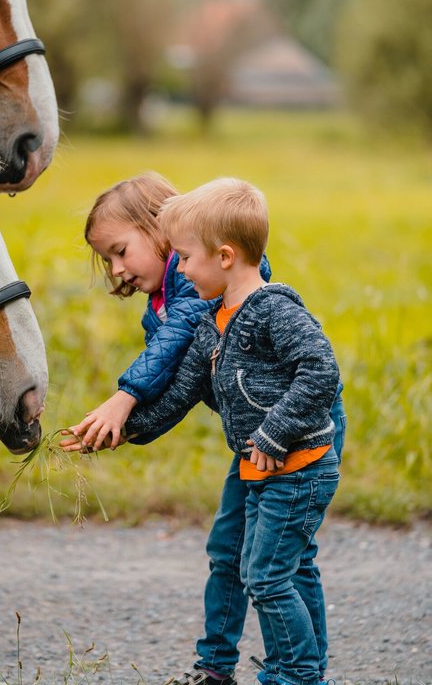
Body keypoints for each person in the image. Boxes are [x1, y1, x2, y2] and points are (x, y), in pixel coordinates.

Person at [118, 177, 342, 685]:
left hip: (298, 467)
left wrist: (271, 436)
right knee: (251, 569)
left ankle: (300, 675)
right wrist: (127, 430)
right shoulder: (214, 322)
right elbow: (178, 394)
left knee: (267, 576)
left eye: (185, 259)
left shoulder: (274, 309)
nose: (180, 270)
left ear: (224, 256)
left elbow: (320, 372)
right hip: (260, 469)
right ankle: (291, 671)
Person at [59, 172, 271, 454]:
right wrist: (126, 427)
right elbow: (178, 388)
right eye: (108, 261)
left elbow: (179, 332)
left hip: (302, 424)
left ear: (159, 227)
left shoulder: (206, 288)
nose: (116, 270)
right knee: (237, 501)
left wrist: (125, 398)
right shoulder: (158, 312)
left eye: (120, 251)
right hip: (256, 436)